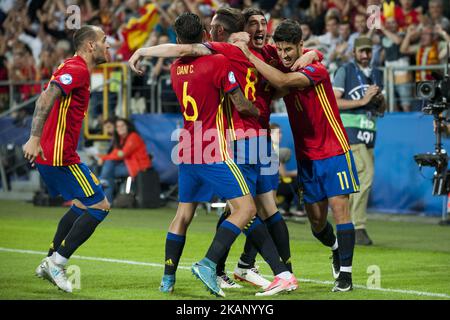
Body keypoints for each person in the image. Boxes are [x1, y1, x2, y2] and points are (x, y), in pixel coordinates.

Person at [129, 8, 321, 294]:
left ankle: (178, 277)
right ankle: (246, 268)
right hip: (224, 142)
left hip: (198, 146)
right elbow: (240, 98)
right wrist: (255, 106)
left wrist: (310, 54)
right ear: (211, 33)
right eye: (253, 23)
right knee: (249, 208)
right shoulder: (222, 57)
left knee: (217, 210)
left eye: (262, 23)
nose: (259, 28)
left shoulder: (179, 67)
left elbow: (294, 61)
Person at [233, 19, 360, 292]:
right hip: (307, 156)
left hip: (334, 149)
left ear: (300, 46)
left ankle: (346, 276)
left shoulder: (316, 69)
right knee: (316, 223)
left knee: (340, 210)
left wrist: (246, 55)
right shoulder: (284, 63)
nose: (284, 55)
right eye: (280, 49)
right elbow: (274, 74)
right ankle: (336, 247)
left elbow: (280, 80)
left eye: (289, 49)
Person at [22, 25, 111, 293]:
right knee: (99, 206)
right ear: (91, 46)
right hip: (60, 156)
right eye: (105, 41)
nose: (109, 46)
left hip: (56, 154)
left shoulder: (71, 65)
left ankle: (49, 260)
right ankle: (57, 263)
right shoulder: (78, 69)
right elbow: (45, 98)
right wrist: (34, 138)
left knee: (82, 205)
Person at [333, 37, 386, 245]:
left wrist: (379, 101)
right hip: (350, 131)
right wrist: (363, 100)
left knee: (357, 181)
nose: (365, 55)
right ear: (353, 52)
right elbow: (334, 102)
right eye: (361, 51)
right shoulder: (344, 71)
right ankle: (358, 226)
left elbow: (381, 110)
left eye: (368, 51)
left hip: (369, 132)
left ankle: (347, 226)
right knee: (366, 175)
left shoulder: (377, 74)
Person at [98, 118, 151, 203]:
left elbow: (123, 154)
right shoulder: (121, 139)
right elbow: (115, 153)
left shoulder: (133, 136)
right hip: (128, 166)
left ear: (128, 126)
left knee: (107, 172)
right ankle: (106, 197)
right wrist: (102, 157)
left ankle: (103, 189)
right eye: (118, 126)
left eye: (122, 125)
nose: (120, 128)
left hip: (138, 167)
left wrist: (103, 158)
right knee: (108, 170)